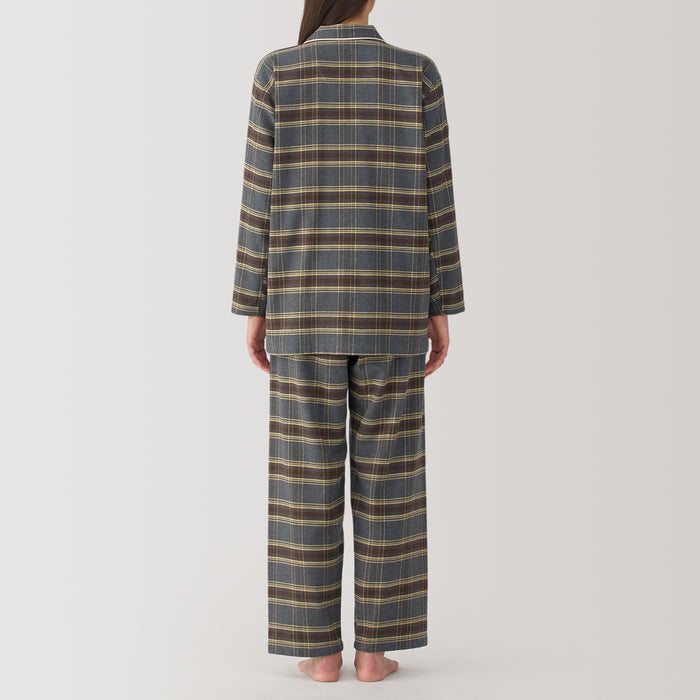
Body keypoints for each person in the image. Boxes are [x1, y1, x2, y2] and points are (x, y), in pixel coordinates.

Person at [231, 0, 466, 683]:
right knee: (391, 482)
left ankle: (319, 652)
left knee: (304, 482)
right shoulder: (417, 75)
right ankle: (374, 653)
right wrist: (441, 304)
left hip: (301, 305)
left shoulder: (277, 73)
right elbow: (439, 200)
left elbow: (257, 201)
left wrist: (253, 304)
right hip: (394, 303)